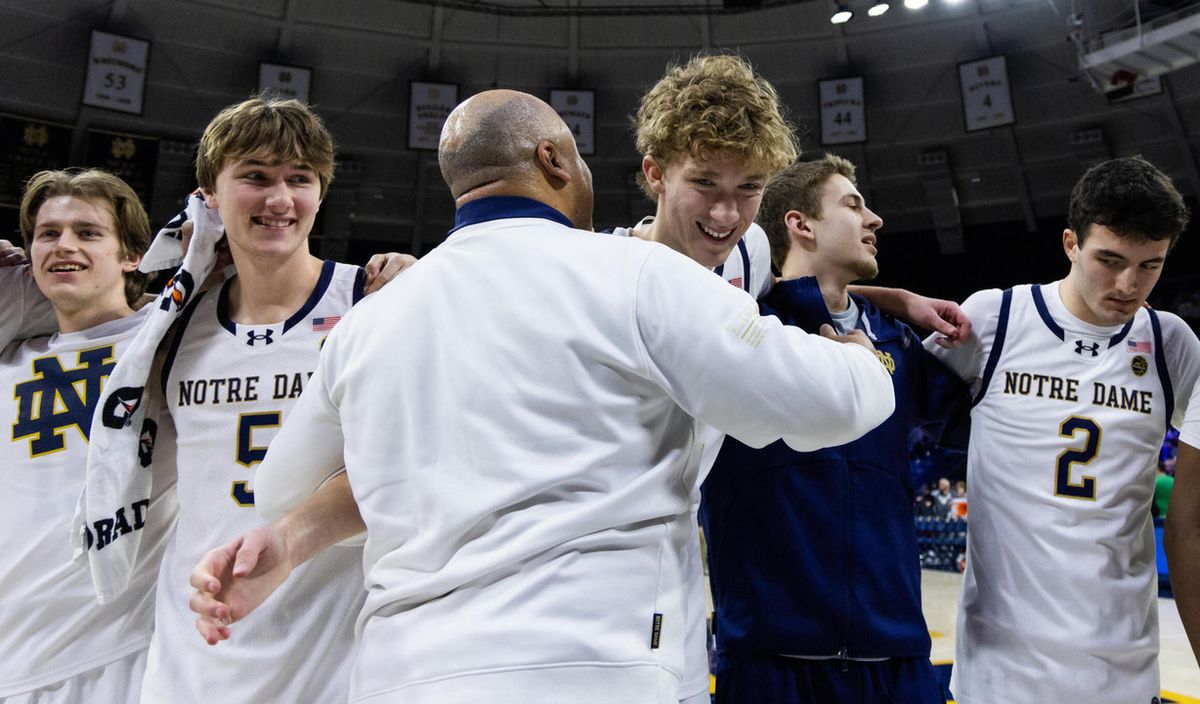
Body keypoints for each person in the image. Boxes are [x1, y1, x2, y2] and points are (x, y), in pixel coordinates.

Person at [187, 89, 897, 704]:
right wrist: (864, 358)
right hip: (590, 665)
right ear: (556, 162)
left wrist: (289, 539)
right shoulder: (634, 275)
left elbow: (283, 493)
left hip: (401, 672)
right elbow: (831, 402)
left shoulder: (371, 321)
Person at [135, 97, 408, 704]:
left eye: (299, 179)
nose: (279, 199)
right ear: (210, 193)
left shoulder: (375, 300)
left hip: (335, 649)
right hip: (194, 646)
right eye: (255, 176)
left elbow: (407, 468)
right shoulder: (171, 327)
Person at [923, 155, 1199, 703]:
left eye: (1151, 265)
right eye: (1110, 259)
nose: (1129, 284)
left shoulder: (1173, 346)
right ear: (1071, 243)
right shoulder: (997, 320)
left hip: (1125, 674)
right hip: (999, 677)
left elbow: (1192, 525)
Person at [699, 154, 969, 703]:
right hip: (769, 659)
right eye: (853, 205)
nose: (875, 220)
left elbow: (979, 425)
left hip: (896, 657)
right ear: (800, 225)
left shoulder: (898, 342)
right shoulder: (740, 326)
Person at [614, 52, 796, 704]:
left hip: (684, 556)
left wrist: (899, 300)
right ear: (655, 174)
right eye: (706, 185)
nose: (726, 214)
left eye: (748, 188)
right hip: (601, 564)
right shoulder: (600, 274)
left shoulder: (749, 253)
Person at [0, 169, 174, 703]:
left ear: (131, 257)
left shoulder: (175, 343)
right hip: (12, 662)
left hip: (122, 654)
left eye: (88, 232)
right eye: (47, 234)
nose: (63, 246)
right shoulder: (8, 361)